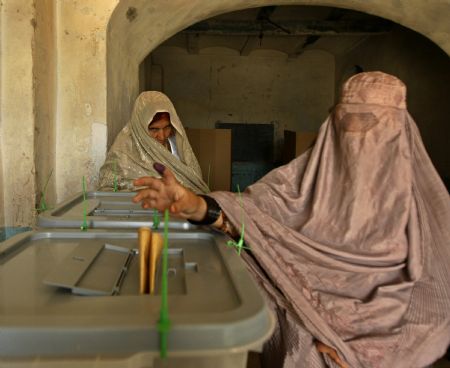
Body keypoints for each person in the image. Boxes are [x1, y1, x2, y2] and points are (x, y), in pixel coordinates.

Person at [132, 72, 450, 368]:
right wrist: (197, 207)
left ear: (399, 132)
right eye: (347, 124)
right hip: (302, 344)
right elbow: (257, 216)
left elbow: (436, 306)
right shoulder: (305, 180)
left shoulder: (422, 209)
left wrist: (370, 355)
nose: (357, 137)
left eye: (373, 126)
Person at [98, 91, 209, 193]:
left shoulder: (176, 144)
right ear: (141, 126)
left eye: (167, 127)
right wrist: (146, 188)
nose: (162, 136)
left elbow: (194, 181)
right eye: (154, 129)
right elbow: (106, 189)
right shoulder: (124, 150)